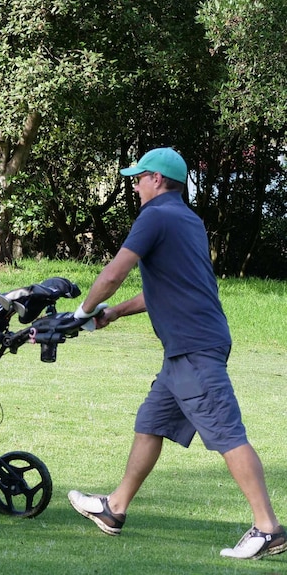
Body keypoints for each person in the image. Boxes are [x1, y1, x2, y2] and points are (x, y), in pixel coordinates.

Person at [67, 147, 284, 560]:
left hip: (194, 348)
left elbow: (115, 272)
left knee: (226, 434)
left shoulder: (156, 216)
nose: (134, 184)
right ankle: (115, 508)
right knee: (151, 422)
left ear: (158, 180)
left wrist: (83, 312)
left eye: (139, 177)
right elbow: (164, 289)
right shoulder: (188, 220)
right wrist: (113, 313)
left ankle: (268, 528)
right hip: (190, 347)